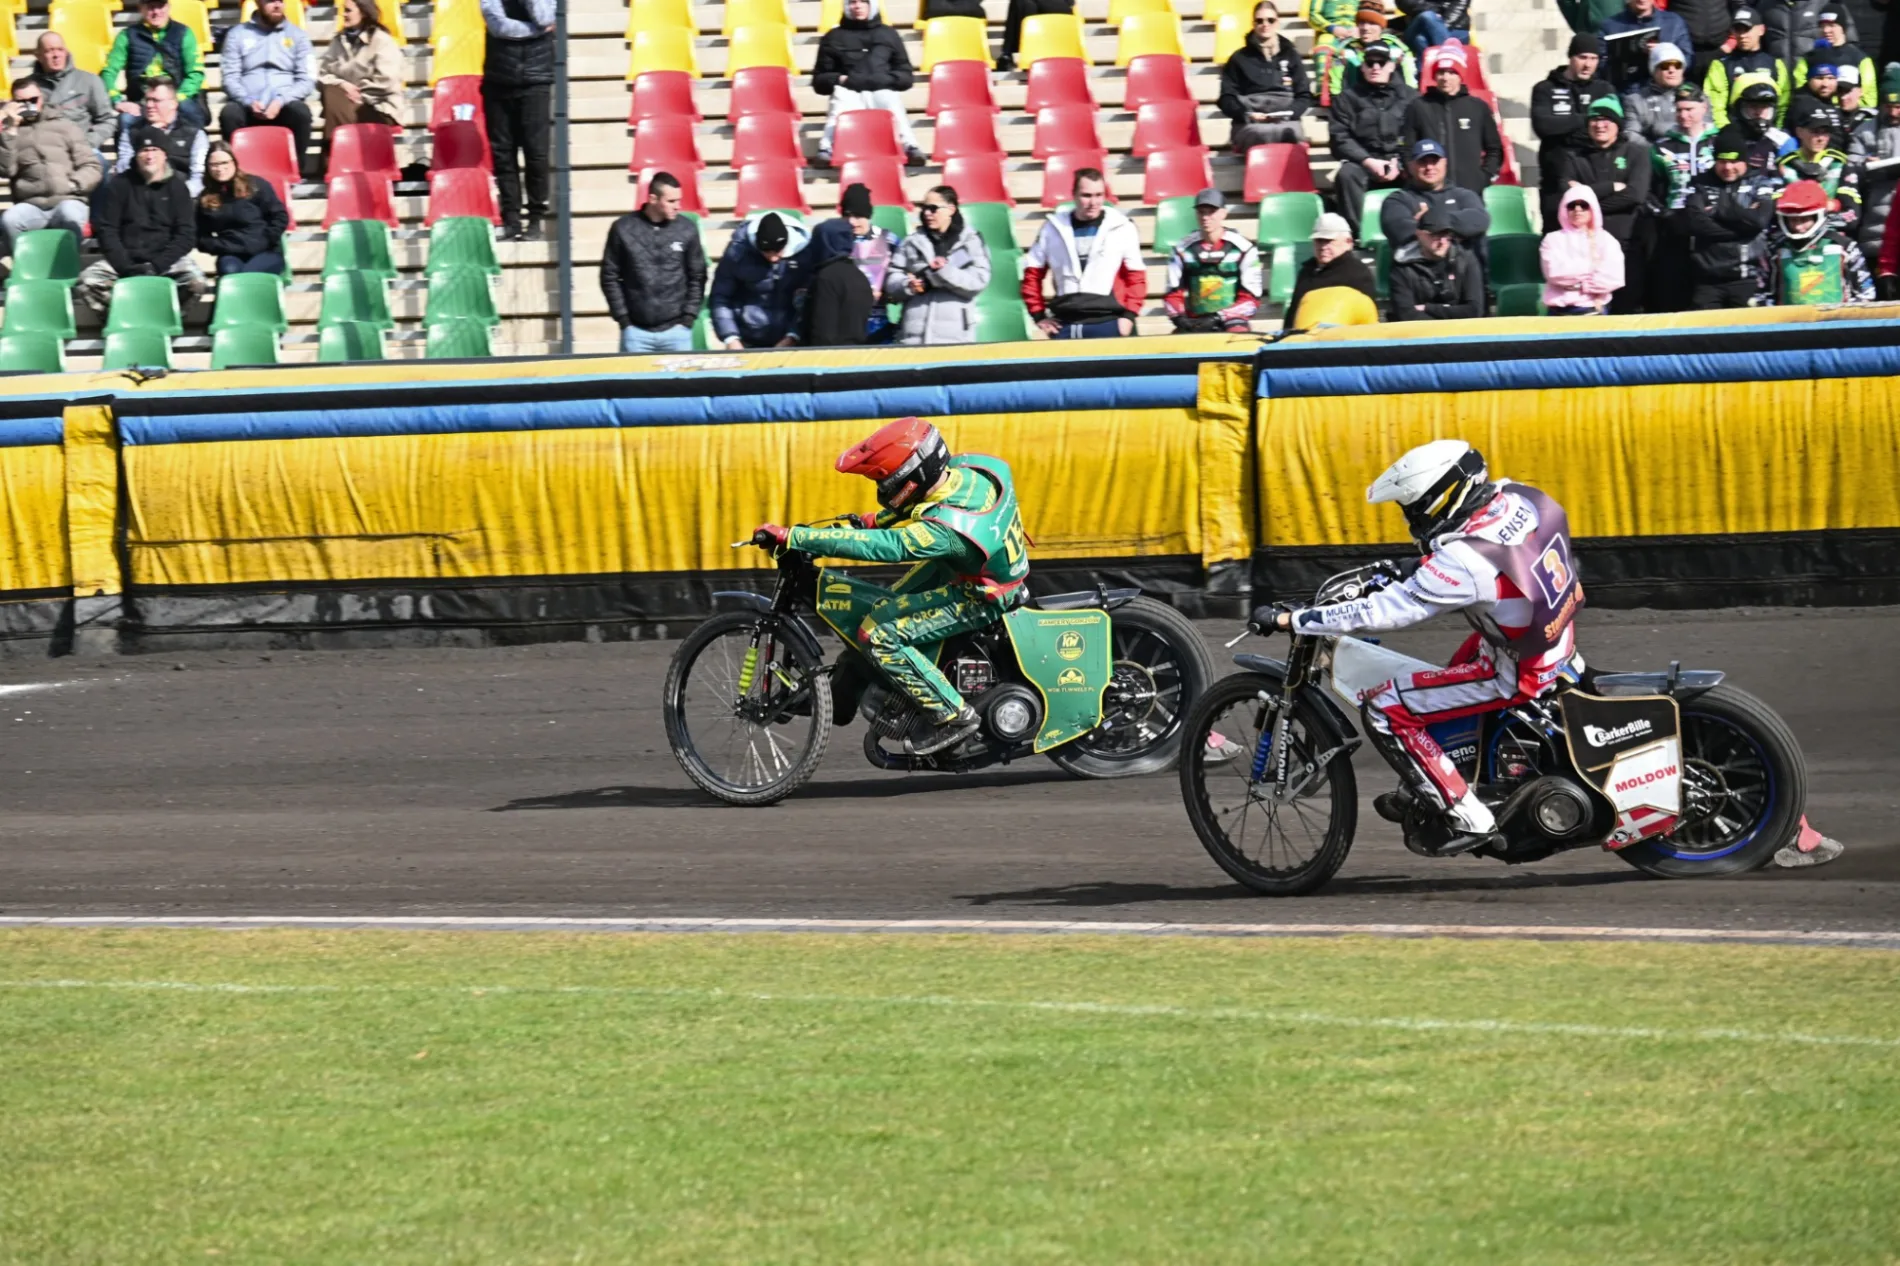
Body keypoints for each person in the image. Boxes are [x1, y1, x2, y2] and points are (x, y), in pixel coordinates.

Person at [1264, 439, 1585, 856]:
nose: (1412, 519)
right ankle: (1430, 774)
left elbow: (1388, 612)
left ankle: (1466, 813)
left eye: (1414, 508)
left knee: (1384, 708)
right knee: (1453, 664)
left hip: (1516, 669)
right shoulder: (1521, 497)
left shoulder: (1464, 560)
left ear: (1441, 499)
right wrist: (1402, 569)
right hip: (1552, 634)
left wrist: (1298, 619)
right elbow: (1474, 560)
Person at [750, 418, 1031, 756]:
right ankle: (859, 694)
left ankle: (952, 716)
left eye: (882, 480)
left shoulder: (944, 531)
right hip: (970, 567)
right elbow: (922, 509)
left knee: (880, 634)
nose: (880, 488)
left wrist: (795, 536)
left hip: (980, 595)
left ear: (910, 476)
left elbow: (887, 547)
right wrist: (867, 522)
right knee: (882, 608)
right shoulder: (970, 473)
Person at [75, 134, 204, 313]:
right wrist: (126, 266)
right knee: (87, 282)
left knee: (196, 283)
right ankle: (126, 316)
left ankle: (164, 318)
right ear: (136, 155)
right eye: (144, 150)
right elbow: (107, 230)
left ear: (165, 154)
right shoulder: (119, 184)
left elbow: (186, 235)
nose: (150, 156)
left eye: (154, 150)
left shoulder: (178, 187)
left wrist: (157, 265)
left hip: (166, 261)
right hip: (125, 260)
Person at [1021, 167, 1145, 338]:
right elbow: (1032, 274)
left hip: (1111, 321)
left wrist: (1129, 316)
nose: (1093, 202)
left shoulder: (1122, 226)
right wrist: (1039, 316)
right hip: (1065, 323)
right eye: (1086, 195)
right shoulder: (1052, 227)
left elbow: (1136, 275)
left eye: (1099, 195)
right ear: (1074, 195)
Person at [1552, 96, 1650, 309]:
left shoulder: (1636, 153)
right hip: (1584, 246)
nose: (1599, 125)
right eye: (1594, 120)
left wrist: (1586, 201)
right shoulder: (1573, 157)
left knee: (1627, 304)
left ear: (1618, 124)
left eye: (1606, 119)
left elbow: (1635, 195)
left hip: (1626, 240)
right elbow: (1566, 194)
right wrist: (1610, 188)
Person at [599, 171, 707, 354]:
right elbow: (609, 276)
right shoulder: (623, 229)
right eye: (671, 201)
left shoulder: (687, 229)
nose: (678, 206)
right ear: (653, 199)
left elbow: (698, 275)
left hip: (677, 332)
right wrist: (624, 319)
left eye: (679, 200)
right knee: (636, 383)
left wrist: (688, 317)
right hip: (636, 333)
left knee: (680, 383)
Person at [1673, 124, 1780, 307]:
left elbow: (1759, 221)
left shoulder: (1760, 182)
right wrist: (1743, 229)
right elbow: (1694, 224)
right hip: (1707, 280)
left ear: (1745, 160)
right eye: (1722, 161)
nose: (1728, 167)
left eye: (1734, 161)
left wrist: (1717, 210)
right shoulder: (1699, 183)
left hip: (1748, 278)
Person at [811, 0, 924, 168]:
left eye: (863, 2)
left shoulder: (889, 35)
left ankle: (911, 147)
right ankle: (825, 150)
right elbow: (820, 80)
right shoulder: (833, 37)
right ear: (846, 7)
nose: (857, 6)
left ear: (872, 5)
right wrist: (840, 80)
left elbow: (905, 75)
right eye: (852, 2)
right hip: (849, 89)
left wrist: (887, 80)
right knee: (840, 101)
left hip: (881, 88)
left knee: (891, 100)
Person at [480, 0, 556, 240]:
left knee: (536, 153)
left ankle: (535, 218)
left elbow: (545, 16)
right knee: (503, 154)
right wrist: (535, 30)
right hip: (498, 79)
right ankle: (511, 219)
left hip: (536, 79)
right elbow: (499, 26)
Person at [0, 78, 101, 252]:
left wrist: (73, 184)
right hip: (32, 204)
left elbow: (91, 166)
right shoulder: (10, 133)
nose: (29, 105)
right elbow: (6, 170)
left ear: (41, 98)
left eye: (33, 100)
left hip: (68, 199)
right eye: (21, 102)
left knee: (69, 214)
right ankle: (25, 268)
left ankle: (68, 267)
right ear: (13, 104)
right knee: (10, 220)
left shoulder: (65, 126)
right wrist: (10, 130)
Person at [886, 184, 992, 345]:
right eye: (924, 208)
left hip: (956, 339)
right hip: (913, 337)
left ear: (951, 209)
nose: (927, 213)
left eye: (933, 208)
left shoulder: (971, 241)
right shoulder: (911, 241)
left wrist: (945, 272)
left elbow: (979, 280)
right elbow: (892, 277)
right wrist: (907, 285)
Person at [220, 0, 316, 177]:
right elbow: (229, 78)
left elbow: (307, 80)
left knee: (301, 113)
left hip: (284, 105)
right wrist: (247, 100)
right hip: (249, 105)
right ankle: (237, 175)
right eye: (271, 1)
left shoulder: (299, 36)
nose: (277, 5)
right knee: (229, 114)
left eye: (281, 1)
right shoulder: (237, 35)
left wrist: (281, 100)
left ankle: (296, 172)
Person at [1329, 43, 1414, 235]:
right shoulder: (1346, 99)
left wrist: (1400, 162)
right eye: (1370, 63)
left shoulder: (1411, 97)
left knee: (1424, 170)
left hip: (1401, 161)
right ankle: (1359, 235)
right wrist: (1368, 161)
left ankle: (1414, 232)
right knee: (1347, 174)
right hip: (1365, 161)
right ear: (1363, 67)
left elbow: (1418, 134)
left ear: (1391, 66)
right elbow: (1339, 137)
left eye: (1381, 62)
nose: (1375, 68)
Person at [803, 182, 902, 344]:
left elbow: (900, 275)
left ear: (868, 215)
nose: (852, 222)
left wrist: (888, 294)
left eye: (858, 216)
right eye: (847, 216)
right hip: (842, 322)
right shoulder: (834, 240)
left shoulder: (889, 240)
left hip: (878, 323)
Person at [1534, 34, 1617, 226]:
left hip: (1594, 177)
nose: (1588, 64)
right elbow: (1543, 126)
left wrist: (1564, 125)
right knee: (1555, 239)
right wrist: (1588, 119)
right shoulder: (1545, 88)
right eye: (1583, 57)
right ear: (1570, 57)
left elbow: (1613, 129)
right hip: (1555, 179)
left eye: (1594, 59)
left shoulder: (1604, 89)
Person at [1756, 176, 1874, 301]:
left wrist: (1845, 315)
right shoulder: (1774, 251)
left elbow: (1867, 294)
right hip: (1790, 319)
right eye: (1793, 220)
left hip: (1838, 318)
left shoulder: (1845, 247)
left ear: (1818, 217)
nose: (1798, 226)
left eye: (1804, 219)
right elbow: (1762, 297)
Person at [1402, 43, 1501, 192]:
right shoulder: (1418, 107)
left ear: (1461, 75)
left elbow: (1495, 149)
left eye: (1451, 72)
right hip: (1430, 192)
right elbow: (1407, 148)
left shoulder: (1478, 107)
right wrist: (1416, 177)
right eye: (1441, 72)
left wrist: (1483, 177)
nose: (1445, 78)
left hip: (1470, 191)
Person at [1163, 188, 1264, 332]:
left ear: (1224, 213)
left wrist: (1218, 317)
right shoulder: (1181, 249)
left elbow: (1251, 299)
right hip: (1194, 320)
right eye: (1201, 212)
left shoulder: (1244, 248)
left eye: (1211, 212)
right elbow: (1172, 294)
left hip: (1232, 320)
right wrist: (1179, 318)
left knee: (1238, 335)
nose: (1205, 217)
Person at [709, 211, 813, 349]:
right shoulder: (737, 252)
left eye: (778, 252)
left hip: (791, 339)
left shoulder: (805, 254)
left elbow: (810, 300)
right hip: (747, 339)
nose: (773, 258)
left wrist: (793, 335)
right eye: (767, 252)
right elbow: (720, 296)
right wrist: (730, 337)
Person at [1218, 3, 1314, 150]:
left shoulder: (1291, 55)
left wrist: (1290, 113)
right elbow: (1227, 97)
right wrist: (1246, 114)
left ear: (1278, 22)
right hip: (1250, 123)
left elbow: (1303, 94)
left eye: (1270, 20)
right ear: (1253, 24)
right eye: (1259, 21)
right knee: (1260, 134)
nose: (1265, 24)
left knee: (1289, 133)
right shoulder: (1238, 58)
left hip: (1286, 120)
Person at [100, 0, 209, 128]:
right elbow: (108, 72)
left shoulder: (184, 33)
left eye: (160, 6)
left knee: (191, 114)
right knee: (125, 120)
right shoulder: (127, 35)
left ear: (168, 7)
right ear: (141, 8)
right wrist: (117, 101)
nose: (156, 12)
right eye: (151, 7)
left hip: (178, 97)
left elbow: (195, 73)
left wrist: (176, 99)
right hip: (141, 100)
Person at [1379, 138, 1490, 255]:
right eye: (1423, 162)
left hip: (1461, 266)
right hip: (1418, 269)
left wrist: (1431, 222)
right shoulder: (1398, 199)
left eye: (1434, 161)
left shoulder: (1463, 195)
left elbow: (1480, 220)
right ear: (1411, 166)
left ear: (1445, 163)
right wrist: (1454, 229)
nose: (1429, 167)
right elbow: (1398, 228)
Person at [195, 140, 288, 275]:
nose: (220, 169)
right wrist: (220, 246)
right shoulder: (205, 197)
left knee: (246, 276)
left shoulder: (256, 186)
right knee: (229, 271)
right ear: (207, 167)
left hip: (265, 251)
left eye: (224, 163)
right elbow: (199, 235)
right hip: (231, 253)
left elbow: (279, 216)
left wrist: (265, 239)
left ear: (234, 162)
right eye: (214, 164)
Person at [319, 0, 405, 133]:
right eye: (344, 11)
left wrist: (359, 94)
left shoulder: (382, 41)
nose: (344, 15)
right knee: (331, 91)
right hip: (344, 104)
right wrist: (343, 85)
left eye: (348, 10)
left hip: (378, 107)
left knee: (334, 102)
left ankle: (332, 148)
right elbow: (322, 74)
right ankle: (337, 147)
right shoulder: (338, 41)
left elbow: (386, 80)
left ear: (363, 13)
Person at [1282, 211, 1379, 327]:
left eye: (1329, 241)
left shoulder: (1357, 274)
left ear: (1348, 242)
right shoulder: (1306, 271)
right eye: (1319, 241)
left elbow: (1367, 319)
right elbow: (1293, 314)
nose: (1323, 247)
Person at [1851, 68, 1900, 293]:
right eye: (1888, 106)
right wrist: (1864, 166)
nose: (1893, 112)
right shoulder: (1865, 131)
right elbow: (1849, 170)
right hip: (1875, 229)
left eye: (1898, 106)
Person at [113, 79, 206, 196]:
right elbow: (124, 168)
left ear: (173, 103)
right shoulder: (132, 133)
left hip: (182, 198)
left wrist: (178, 196)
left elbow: (198, 177)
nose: (149, 105)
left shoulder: (194, 134)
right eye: (147, 100)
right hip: (141, 198)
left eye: (156, 100)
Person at [1389, 204, 1485, 317]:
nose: (1442, 241)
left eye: (1446, 234)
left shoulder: (1465, 259)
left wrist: (1428, 308)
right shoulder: (1403, 266)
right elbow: (1406, 314)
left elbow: (1474, 310)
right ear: (1419, 234)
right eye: (1435, 235)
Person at [1777, 103, 1860, 233]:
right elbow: (1774, 214)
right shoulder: (1784, 165)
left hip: (1830, 238)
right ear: (1799, 132)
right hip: (1793, 237)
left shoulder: (1840, 163)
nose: (1821, 138)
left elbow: (1852, 215)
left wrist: (1814, 220)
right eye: (1815, 132)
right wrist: (1830, 205)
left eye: (1825, 132)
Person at [1541, 184, 1624, 312]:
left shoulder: (1607, 240)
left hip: (1594, 309)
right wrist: (1592, 267)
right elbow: (1555, 273)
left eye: (1584, 205)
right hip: (1558, 310)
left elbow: (1614, 278)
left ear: (1593, 209)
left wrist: (1580, 284)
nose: (1577, 209)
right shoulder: (1552, 239)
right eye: (1571, 205)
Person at [30, 33, 115, 156]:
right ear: (38, 56)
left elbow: (107, 120)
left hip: (82, 150)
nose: (56, 55)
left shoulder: (89, 81)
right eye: (49, 51)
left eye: (60, 49)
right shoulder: (29, 88)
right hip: (43, 153)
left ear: (66, 52)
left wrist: (87, 143)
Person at [1704, 8, 1787, 128]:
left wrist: (1777, 130)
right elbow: (1715, 107)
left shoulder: (1775, 64)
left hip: (1769, 133)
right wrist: (1728, 132)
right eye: (1738, 30)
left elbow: (1783, 105)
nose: (1742, 35)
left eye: (1747, 29)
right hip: (1735, 134)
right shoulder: (1720, 65)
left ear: (1761, 30)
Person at [1598, 0, 1693, 89]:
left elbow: (1688, 59)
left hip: (1664, 90)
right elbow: (1601, 64)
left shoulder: (1673, 22)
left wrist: (1662, 53)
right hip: (1626, 90)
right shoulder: (1610, 25)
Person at [1324, 6, 1417, 95]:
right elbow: (1335, 86)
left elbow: (1410, 82)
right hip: (1354, 104)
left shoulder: (1397, 48)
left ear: (1381, 27)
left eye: (1372, 23)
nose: (1365, 28)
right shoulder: (1345, 50)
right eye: (1361, 22)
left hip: (1394, 104)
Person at [1792, 9, 1875, 102]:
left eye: (1832, 25)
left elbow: (1869, 98)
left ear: (1843, 28)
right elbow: (1800, 89)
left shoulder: (1860, 59)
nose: (1826, 30)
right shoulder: (1809, 58)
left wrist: (1846, 108)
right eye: (1822, 26)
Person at [1624, 43, 1697, 143]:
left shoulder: (1697, 98)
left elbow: (1707, 128)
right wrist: (1656, 152)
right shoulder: (1635, 100)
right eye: (1665, 66)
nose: (1672, 70)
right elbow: (1631, 134)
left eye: (1677, 65)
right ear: (1654, 70)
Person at [1764, 0, 1861, 65]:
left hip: (1817, 80)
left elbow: (1849, 42)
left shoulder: (1825, 3)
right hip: (1780, 81)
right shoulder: (1766, 5)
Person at [1731, 79, 1792, 169]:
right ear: (1740, 109)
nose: (1759, 113)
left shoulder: (1782, 140)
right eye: (1753, 106)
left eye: (1764, 107)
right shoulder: (1728, 138)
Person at [995, 0, 1073, 71]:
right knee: (1026, 4)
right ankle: (1027, 54)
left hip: (1060, 4)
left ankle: (1008, 53)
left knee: (1021, 2)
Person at [1393, 0, 1469, 58]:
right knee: (1428, 16)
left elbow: (1460, 5)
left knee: (1420, 39)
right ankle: (1448, 58)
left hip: (1454, 26)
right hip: (1417, 24)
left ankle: (1422, 73)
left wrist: (1439, 26)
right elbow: (1404, 2)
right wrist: (1434, 10)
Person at [1787, 59, 1842, 123]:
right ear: (1809, 80)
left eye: (1830, 78)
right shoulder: (1802, 104)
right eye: (1819, 78)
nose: (1825, 84)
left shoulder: (1840, 103)